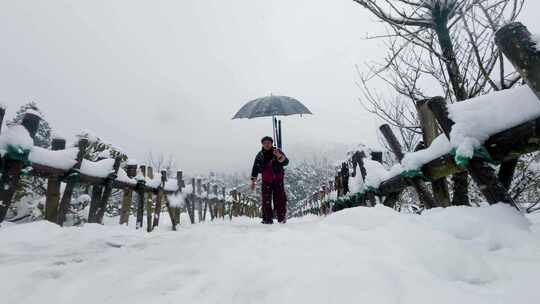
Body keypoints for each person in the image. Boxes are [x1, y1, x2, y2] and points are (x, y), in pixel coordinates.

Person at [250, 136, 289, 224]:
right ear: (262, 144)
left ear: (271, 143)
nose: (266, 144)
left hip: (278, 180)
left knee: (280, 199)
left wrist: (279, 155)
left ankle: (281, 218)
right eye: (265, 143)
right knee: (266, 200)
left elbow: (286, 162)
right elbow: (255, 168)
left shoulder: (277, 151)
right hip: (266, 181)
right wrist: (253, 181)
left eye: (268, 143)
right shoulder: (260, 155)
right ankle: (267, 219)